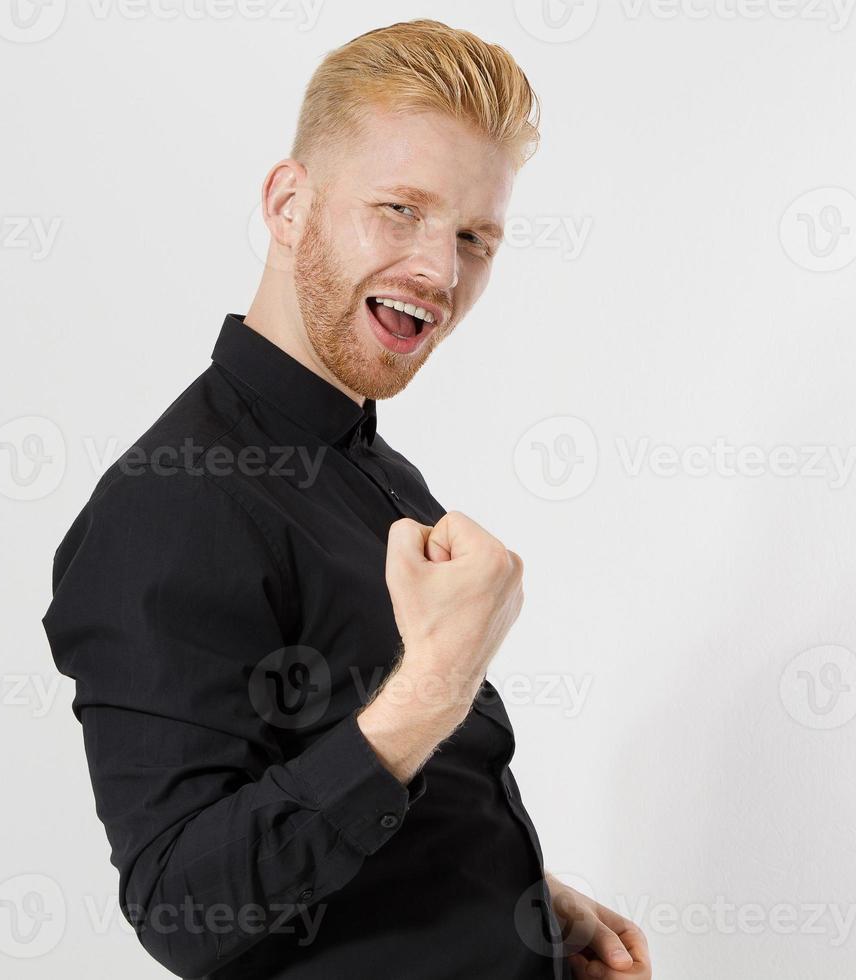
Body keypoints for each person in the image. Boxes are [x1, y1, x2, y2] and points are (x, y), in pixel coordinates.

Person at [43, 19, 650, 979]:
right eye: (401, 209)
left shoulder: (378, 473)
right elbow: (180, 905)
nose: (441, 273)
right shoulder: (167, 504)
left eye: (474, 238)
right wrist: (435, 686)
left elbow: (368, 799)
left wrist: (522, 903)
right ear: (290, 205)